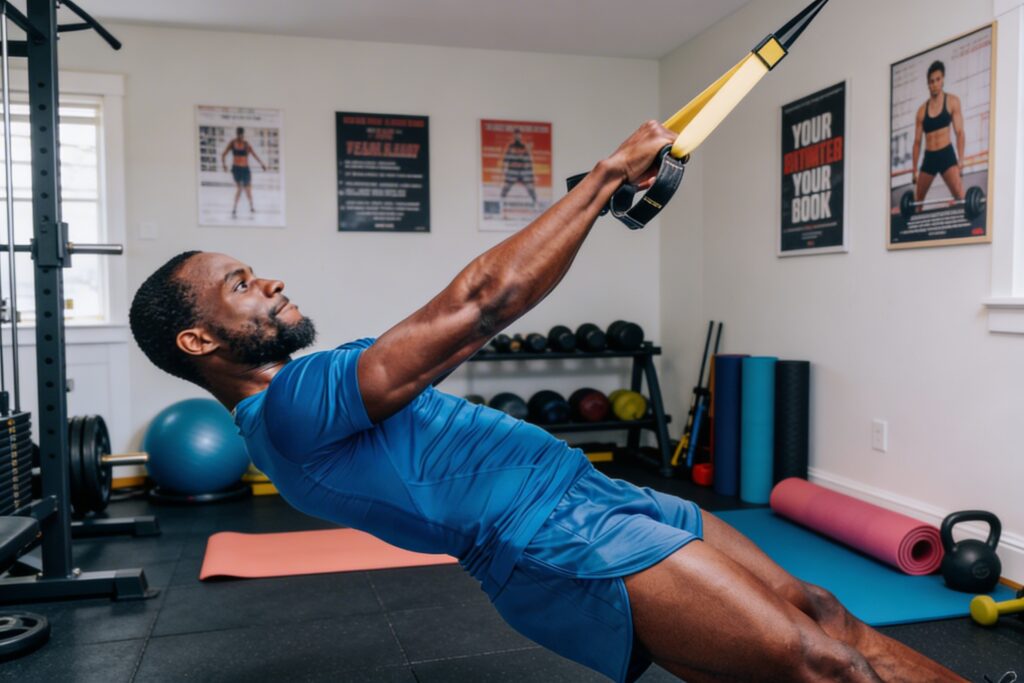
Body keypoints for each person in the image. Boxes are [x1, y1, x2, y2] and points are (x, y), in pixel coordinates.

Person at [130, 121, 965, 683]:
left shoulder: (298, 399)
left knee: (826, 613)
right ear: (199, 343)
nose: (267, 281)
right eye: (240, 285)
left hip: (600, 496)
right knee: (824, 665)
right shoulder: (288, 409)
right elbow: (479, 306)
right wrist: (604, 180)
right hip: (557, 541)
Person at [911, 60, 966, 209]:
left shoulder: (952, 102)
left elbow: (959, 132)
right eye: (931, 81)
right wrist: (914, 169)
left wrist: (961, 160)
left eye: (938, 80)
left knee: (960, 196)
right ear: (928, 84)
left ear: (943, 80)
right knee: (917, 202)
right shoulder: (921, 111)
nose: (935, 84)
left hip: (946, 155)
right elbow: (917, 142)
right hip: (930, 157)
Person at [220, 127, 267, 218]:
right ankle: (234, 208)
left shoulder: (246, 145)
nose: (240, 136)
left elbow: (254, 155)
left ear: (243, 134)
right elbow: (223, 154)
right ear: (237, 134)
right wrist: (224, 165)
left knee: (248, 190)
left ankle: (251, 206)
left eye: (241, 135)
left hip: (245, 169)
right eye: (239, 134)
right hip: (236, 169)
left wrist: (262, 164)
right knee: (240, 188)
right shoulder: (232, 143)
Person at [500, 128, 538, 204]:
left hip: (523, 172)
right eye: (516, 135)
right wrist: (504, 170)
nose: (517, 137)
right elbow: (506, 159)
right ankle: (500, 201)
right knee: (506, 187)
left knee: (530, 187)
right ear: (514, 136)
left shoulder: (524, 147)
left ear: (520, 136)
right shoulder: (511, 147)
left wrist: (530, 173)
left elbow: (528, 161)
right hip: (512, 172)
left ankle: (535, 202)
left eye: (518, 135)